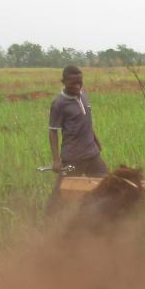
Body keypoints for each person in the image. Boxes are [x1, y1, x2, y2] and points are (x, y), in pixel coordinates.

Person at [47, 66, 108, 211]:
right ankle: (48, 221)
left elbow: (86, 121)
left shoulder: (83, 94)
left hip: (92, 154)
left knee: (105, 185)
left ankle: (98, 218)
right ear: (63, 81)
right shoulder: (58, 103)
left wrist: (96, 141)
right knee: (62, 193)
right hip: (73, 157)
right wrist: (56, 160)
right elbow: (53, 132)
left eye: (80, 82)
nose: (77, 86)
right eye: (73, 83)